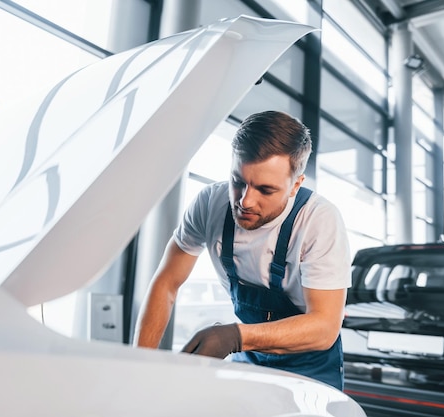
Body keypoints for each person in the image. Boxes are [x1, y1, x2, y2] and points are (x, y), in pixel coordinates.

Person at [134, 110, 351, 390]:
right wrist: (139, 366)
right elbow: (166, 283)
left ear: (295, 184)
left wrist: (234, 337)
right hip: (250, 357)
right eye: (238, 182)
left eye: (265, 189)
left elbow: (324, 327)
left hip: (311, 366)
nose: (245, 201)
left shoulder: (319, 221)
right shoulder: (209, 205)